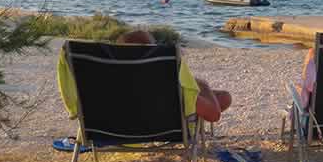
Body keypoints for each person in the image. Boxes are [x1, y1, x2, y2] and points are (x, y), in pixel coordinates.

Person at [57, 30, 232, 124]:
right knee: (223, 97)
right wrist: (203, 84)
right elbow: (213, 115)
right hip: (164, 126)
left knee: (220, 96)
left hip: (111, 128)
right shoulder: (165, 83)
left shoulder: (100, 86)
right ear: (152, 54)